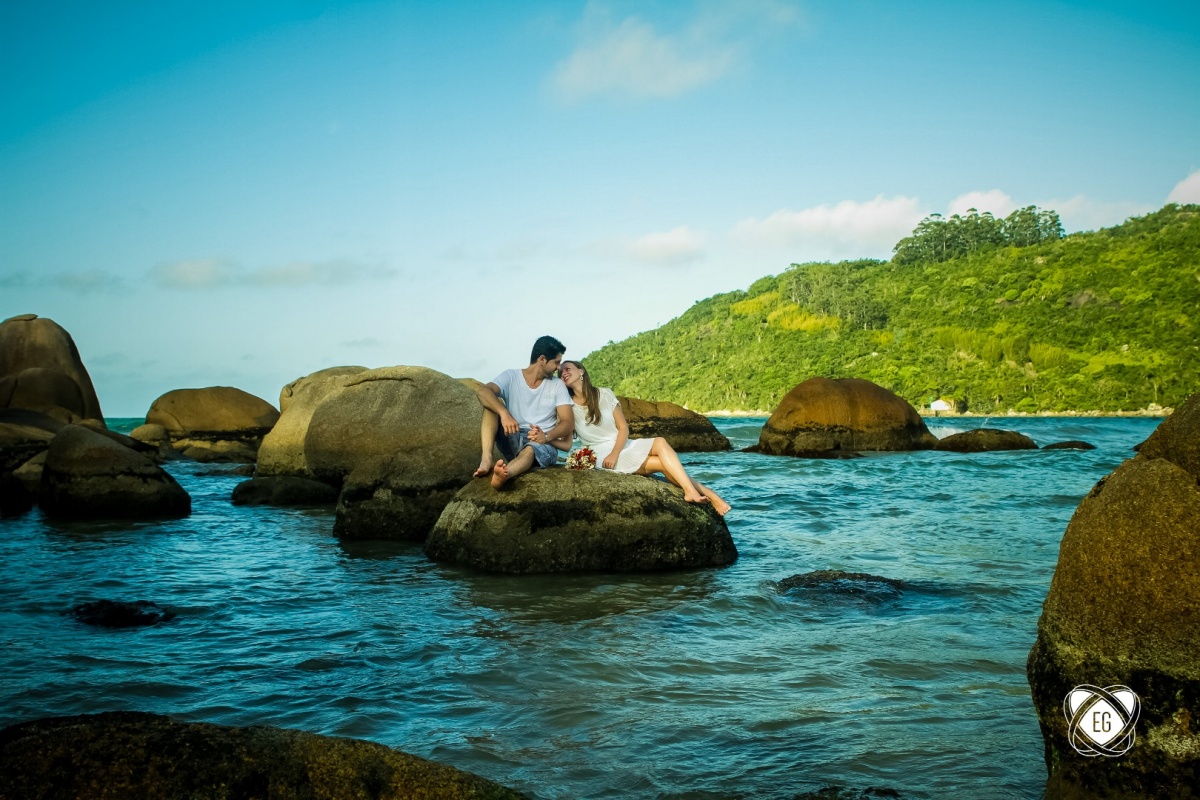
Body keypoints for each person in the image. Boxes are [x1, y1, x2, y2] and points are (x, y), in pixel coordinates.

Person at [557, 360, 731, 516]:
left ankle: (692, 492)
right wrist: (546, 438)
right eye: (560, 372)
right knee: (662, 464)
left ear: (581, 371)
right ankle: (708, 495)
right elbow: (566, 442)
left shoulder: (604, 394)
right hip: (601, 454)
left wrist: (615, 453)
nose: (563, 373)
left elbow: (623, 428)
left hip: (621, 445)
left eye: (567, 368)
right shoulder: (567, 406)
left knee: (660, 442)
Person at [472, 336, 574, 489]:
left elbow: (568, 422)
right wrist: (504, 413)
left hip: (541, 442)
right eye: (556, 362)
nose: (559, 368)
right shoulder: (511, 376)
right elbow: (483, 392)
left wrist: (546, 436)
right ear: (542, 359)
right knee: (491, 405)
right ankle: (486, 459)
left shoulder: (557, 385)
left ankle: (505, 475)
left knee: (531, 449)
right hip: (512, 435)